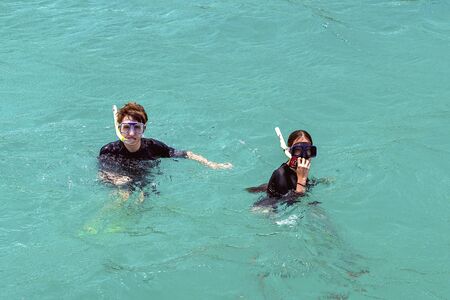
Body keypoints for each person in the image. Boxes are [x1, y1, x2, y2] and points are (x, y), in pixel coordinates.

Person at [98, 102, 232, 193]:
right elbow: (101, 175)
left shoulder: (154, 147)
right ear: (119, 128)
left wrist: (212, 164)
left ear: (144, 129)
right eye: (126, 127)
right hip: (121, 180)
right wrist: (114, 179)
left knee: (144, 197)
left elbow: (186, 154)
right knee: (122, 194)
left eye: (137, 128)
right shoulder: (109, 150)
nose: (131, 134)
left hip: (146, 178)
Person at [249, 129, 317, 207]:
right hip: (268, 206)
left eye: (308, 150)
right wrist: (301, 179)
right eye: (298, 150)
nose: (303, 155)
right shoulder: (281, 174)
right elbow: (293, 203)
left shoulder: (300, 171)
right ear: (290, 151)